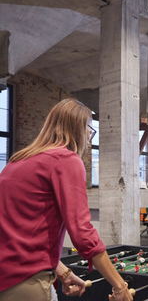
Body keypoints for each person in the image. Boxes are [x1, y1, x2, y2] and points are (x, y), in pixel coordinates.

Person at [0, 99, 132, 301]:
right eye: (90, 129)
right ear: (79, 128)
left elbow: (19, 235)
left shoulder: (17, 161)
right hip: (27, 283)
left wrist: (63, 272)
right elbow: (83, 233)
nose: (89, 137)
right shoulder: (67, 160)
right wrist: (120, 286)